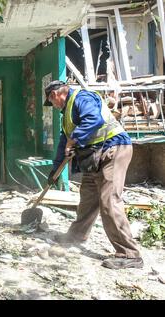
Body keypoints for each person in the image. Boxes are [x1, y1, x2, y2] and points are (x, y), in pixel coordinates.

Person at [44, 80, 143, 270]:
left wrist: (74, 139)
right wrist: (54, 171)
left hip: (112, 149)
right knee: (88, 198)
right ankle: (76, 236)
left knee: (109, 201)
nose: (54, 106)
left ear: (55, 95)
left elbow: (93, 119)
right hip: (94, 157)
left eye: (51, 101)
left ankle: (130, 254)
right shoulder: (66, 115)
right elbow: (62, 144)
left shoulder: (82, 97)